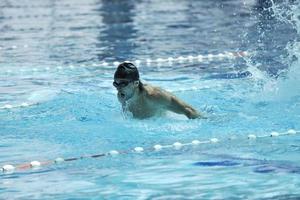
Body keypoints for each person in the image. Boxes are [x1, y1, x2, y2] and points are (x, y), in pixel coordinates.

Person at [113, 62, 203, 119]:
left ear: (136, 83)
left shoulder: (155, 96)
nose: (118, 88)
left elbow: (189, 111)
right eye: (116, 84)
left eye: (123, 83)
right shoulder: (122, 96)